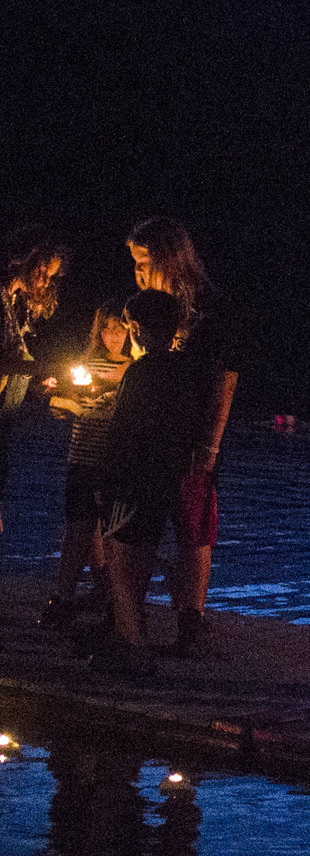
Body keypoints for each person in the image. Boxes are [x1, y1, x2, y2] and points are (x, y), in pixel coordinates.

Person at [128, 218, 252, 658]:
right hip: (154, 434)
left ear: (168, 258)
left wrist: (211, 443)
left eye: (144, 263)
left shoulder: (208, 308)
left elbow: (226, 376)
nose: (138, 274)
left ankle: (190, 622)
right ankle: (128, 618)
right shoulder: (151, 308)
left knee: (193, 526)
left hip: (193, 435)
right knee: (142, 526)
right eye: (135, 264)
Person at [92, 291, 218, 678]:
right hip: (165, 477)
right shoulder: (186, 370)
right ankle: (130, 641)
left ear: (139, 330)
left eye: (131, 326)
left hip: (132, 481)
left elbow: (125, 431)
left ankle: (134, 646)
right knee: (140, 557)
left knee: (119, 563)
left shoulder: (141, 371)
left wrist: (107, 477)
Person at [41, 302, 145, 628]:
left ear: (129, 331)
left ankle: (115, 605)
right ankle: (64, 599)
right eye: (106, 328)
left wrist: (103, 385)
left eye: (119, 328)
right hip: (81, 458)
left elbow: (128, 397)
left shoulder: (134, 368)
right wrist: (59, 402)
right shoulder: (84, 364)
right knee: (76, 532)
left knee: (114, 539)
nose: (112, 335)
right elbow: (60, 397)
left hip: (112, 463)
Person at [1, 226, 71, 536]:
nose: (46, 281)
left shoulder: (17, 307)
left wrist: (42, 392)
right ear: (27, 260)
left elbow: (14, 374)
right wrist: (41, 367)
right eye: (44, 271)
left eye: (52, 276)